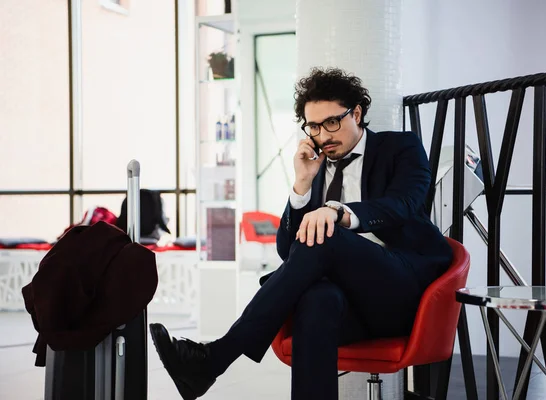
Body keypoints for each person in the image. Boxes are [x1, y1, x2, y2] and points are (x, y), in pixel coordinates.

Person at [149, 67, 453, 400]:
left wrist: (337, 212)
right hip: (350, 308)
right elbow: (287, 250)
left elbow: (403, 204)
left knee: (326, 237)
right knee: (316, 300)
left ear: (357, 113)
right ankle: (210, 365)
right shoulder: (317, 167)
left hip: (403, 295)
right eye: (314, 126)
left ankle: (216, 358)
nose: (324, 135)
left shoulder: (400, 148)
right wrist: (302, 186)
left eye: (332, 122)